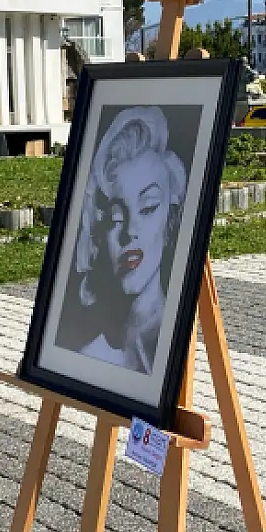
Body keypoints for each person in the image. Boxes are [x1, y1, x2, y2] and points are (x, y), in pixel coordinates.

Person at [65, 106, 189, 374]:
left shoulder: (169, 341)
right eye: (117, 217)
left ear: (171, 219)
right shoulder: (89, 357)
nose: (130, 231)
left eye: (148, 208)